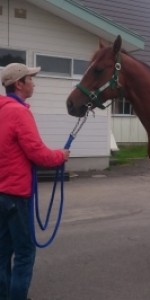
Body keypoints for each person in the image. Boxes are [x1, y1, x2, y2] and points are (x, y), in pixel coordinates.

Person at [0, 63, 70, 300]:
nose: (34, 82)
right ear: (19, 84)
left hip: (1, 194)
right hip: (17, 195)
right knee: (25, 254)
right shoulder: (19, 113)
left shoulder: (2, 111)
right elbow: (38, 153)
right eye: (30, 78)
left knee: (2, 252)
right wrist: (61, 156)